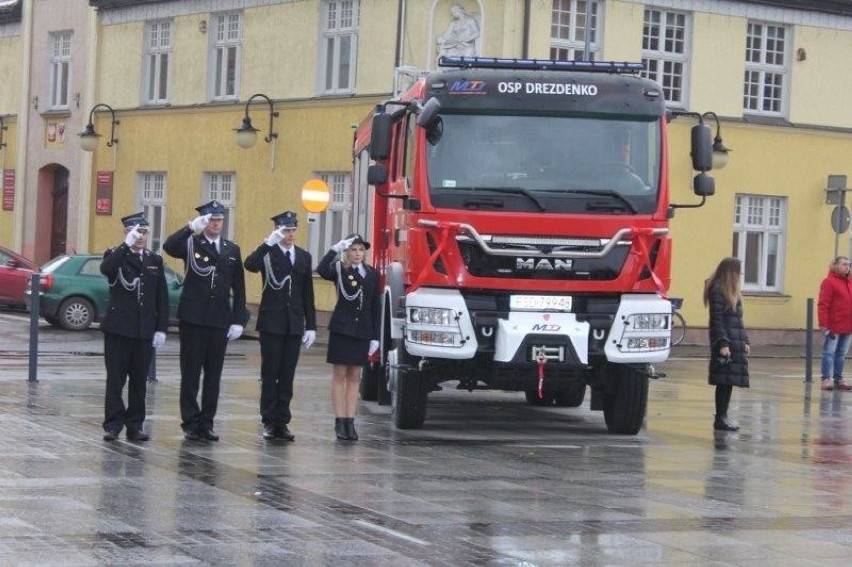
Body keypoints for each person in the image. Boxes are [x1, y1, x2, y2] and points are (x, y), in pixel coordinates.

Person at [163, 200, 248, 441]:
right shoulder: (191, 244)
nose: (216, 224)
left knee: (213, 375)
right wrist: (190, 227)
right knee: (191, 373)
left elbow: (239, 287)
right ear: (204, 222)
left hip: (219, 319)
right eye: (211, 220)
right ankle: (190, 422)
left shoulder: (231, 249)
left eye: (219, 220)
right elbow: (169, 246)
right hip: (193, 318)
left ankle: (207, 422)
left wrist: (238, 319)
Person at [244, 211, 317, 441]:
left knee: (287, 375)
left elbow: (307, 294)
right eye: (285, 230)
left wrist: (312, 325)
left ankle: (282, 421)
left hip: (294, 324)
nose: (290, 234)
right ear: (277, 230)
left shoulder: (303, 257)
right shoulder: (268, 253)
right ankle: (268, 420)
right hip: (272, 323)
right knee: (270, 374)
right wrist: (268, 243)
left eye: (293, 230)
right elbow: (250, 265)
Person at [100, 212, 168, 442]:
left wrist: (161, 328)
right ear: (127, 232)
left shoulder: (154, 260)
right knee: (116, 379)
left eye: (144, 232)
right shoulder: (115, 255)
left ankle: (135, 425)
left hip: (143, 329)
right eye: (136, 232)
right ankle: (113, 425)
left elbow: (162, 297)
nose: (141, 237)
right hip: (119, 328)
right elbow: (106, 269)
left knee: (139, 381)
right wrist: (124, 246)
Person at [316, 234, 381, 441]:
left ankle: (350, 422)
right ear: (347, 252)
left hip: (362, 331)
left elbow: (374, 306)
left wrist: (376, 336)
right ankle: (339, 421)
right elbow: (321, 268)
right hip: (343, 329)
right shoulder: (340, 270)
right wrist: (335, 249)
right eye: (353, 249)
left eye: (361, 250)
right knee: (340, 376)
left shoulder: (371, 274)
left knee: (355, 377)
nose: (357, 254)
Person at [704, 257, 750, 432]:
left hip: (734, 340)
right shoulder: (718, 290)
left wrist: (745, 340)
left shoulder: (731, 290)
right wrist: (723, 343)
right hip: (727, 342)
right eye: (739, 270)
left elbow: (738, 319)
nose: (741, 273)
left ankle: (723, 416)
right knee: (723, 382)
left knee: (727, 381)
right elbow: (717, 320)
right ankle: (720, 417)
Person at [817, 256, 852, 391]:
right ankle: (826, 380)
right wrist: (823, 325)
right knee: (829, 353)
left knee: (841, 354)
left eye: (849, 265)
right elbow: (823, 305)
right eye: (844, 264)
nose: (847, 267)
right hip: (833, 326)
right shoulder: (828, 282)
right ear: (835, 265)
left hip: (848, 325)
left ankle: (838, 380)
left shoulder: (849, 282)